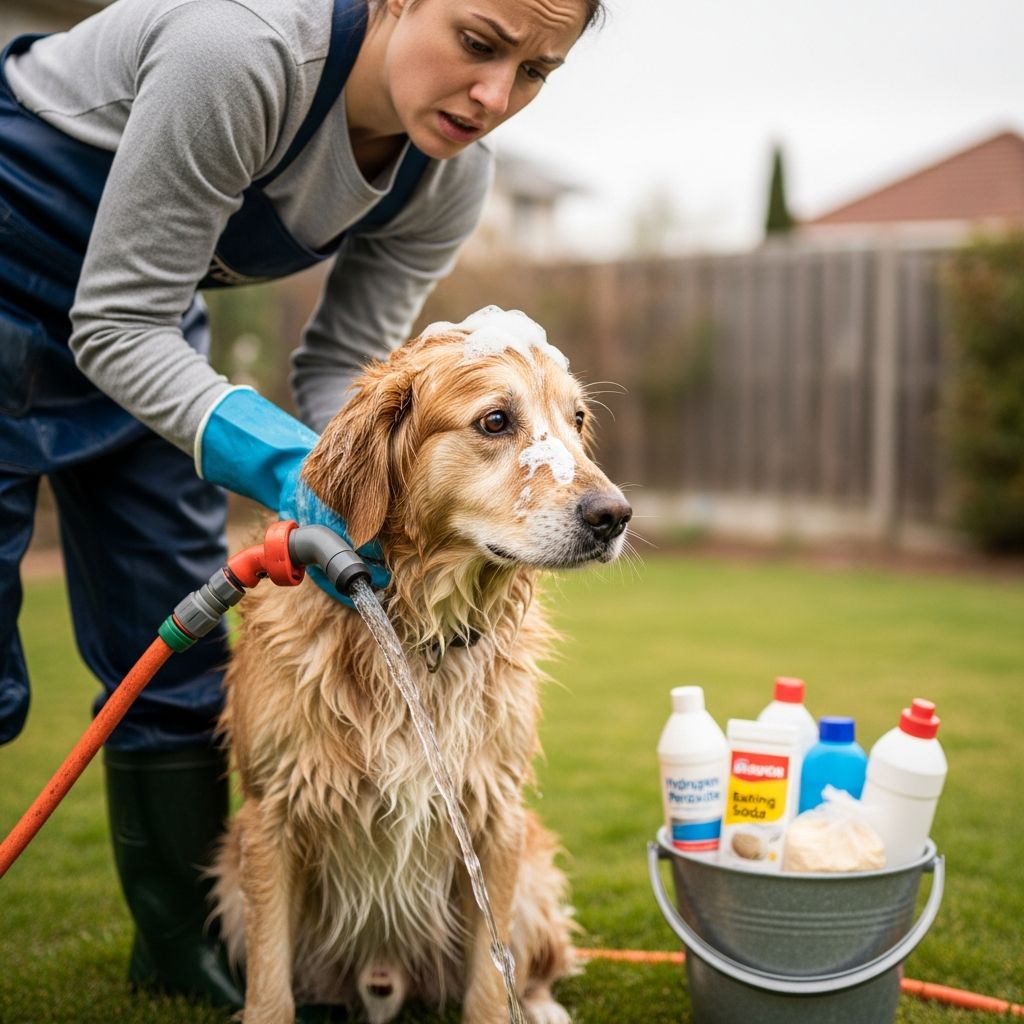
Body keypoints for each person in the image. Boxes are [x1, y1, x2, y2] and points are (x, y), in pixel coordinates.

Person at [0, 0, 602, 1007]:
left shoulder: (449, 174)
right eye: (478, 43)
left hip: (152, 324)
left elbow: (341, 368)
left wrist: (367, 490)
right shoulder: (240, 53)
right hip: (36, 265)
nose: (496, 96)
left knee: (177, 663)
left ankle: (182, 952)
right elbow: (113, 321)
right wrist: (302, 473)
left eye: (536, 71)